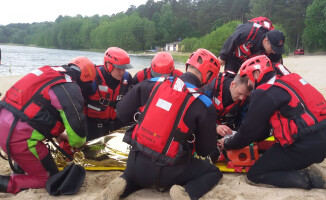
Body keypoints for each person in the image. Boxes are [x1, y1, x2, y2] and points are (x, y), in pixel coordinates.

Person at [100, 48, 222, 200]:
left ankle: (126, 180)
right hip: (171, 171)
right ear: (209, 75)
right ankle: (187, 193)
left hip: (135, 162)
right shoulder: (204, 103)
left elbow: (121, 112)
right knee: (213, 172)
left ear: (187, 66)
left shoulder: (151, 83)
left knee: (136, 174)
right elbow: (205, 150)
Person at [218, 55, 326, 189]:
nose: (249, 86)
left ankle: (309, 179)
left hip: (305, 143)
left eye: (248, 80)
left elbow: (248, 131)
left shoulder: (265, 91)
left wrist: (228, 143)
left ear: (256, 73)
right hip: (320, 134)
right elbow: (263, 129)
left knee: (255, 174)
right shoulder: (288, 80)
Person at [0, 57, 96, 194]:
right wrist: (78, 143)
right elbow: (77, 136)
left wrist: (59, 134)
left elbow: (39, 106)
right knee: (48, 179)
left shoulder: (51, 72)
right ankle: (10, 184)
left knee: (39, 157)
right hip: (19, 139)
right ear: (86, 80)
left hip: (5, 124)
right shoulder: (70, 88)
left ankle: (21, 168)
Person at [85, 47, 133, 141]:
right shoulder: (93, 78)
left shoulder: (127, 78)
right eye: (119, 68)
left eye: (124, 68)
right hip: (93, 124)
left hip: (116, 123)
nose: (122, 72)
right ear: (108, 64)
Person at [218, 17, 285, 77]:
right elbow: (232, 39)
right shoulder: (247, 32)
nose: (274, 51)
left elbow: (278, 68)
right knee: (229, 78)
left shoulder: (275, 51)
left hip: (253, 62)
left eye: (277, 49)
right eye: (273, 48)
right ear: (265, 41)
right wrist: (222, 57)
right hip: (235, 56)